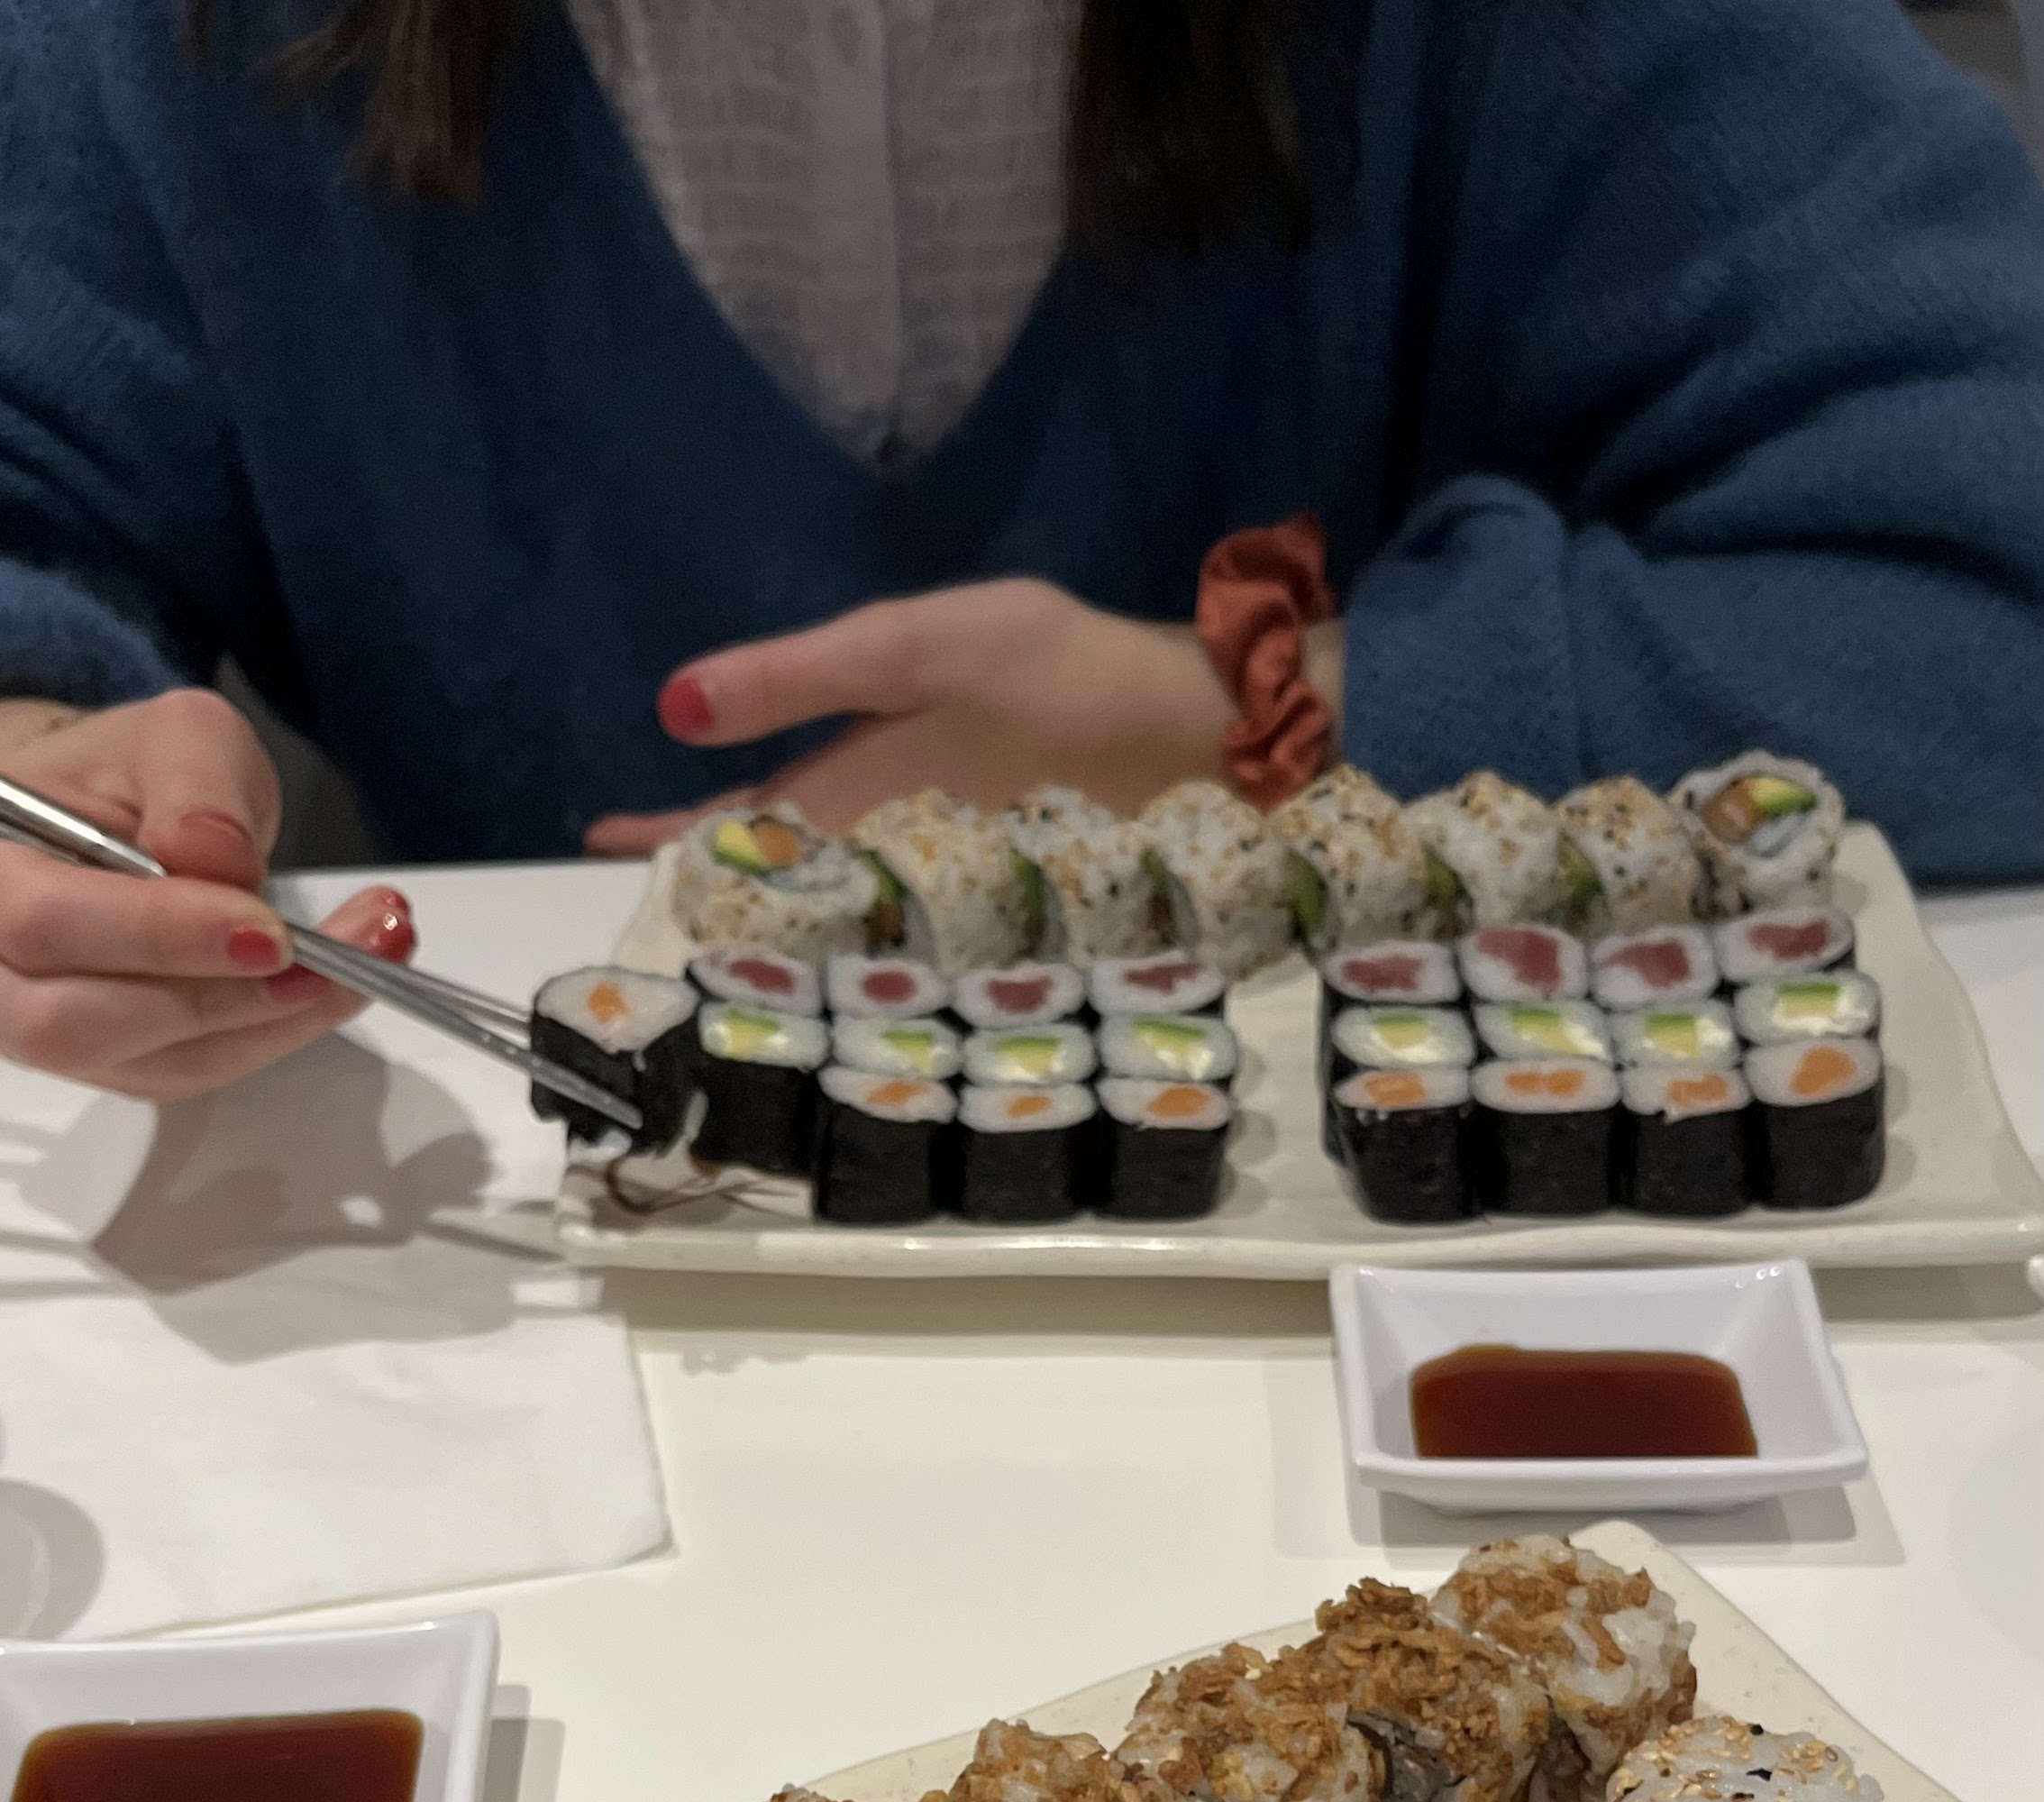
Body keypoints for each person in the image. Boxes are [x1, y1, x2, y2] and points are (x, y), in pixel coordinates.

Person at [0, 0, 2039, 1103]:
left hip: (1402, 1229)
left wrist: (1256, 721)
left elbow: (1990, 558)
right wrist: (46, 763)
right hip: (510, 1312)